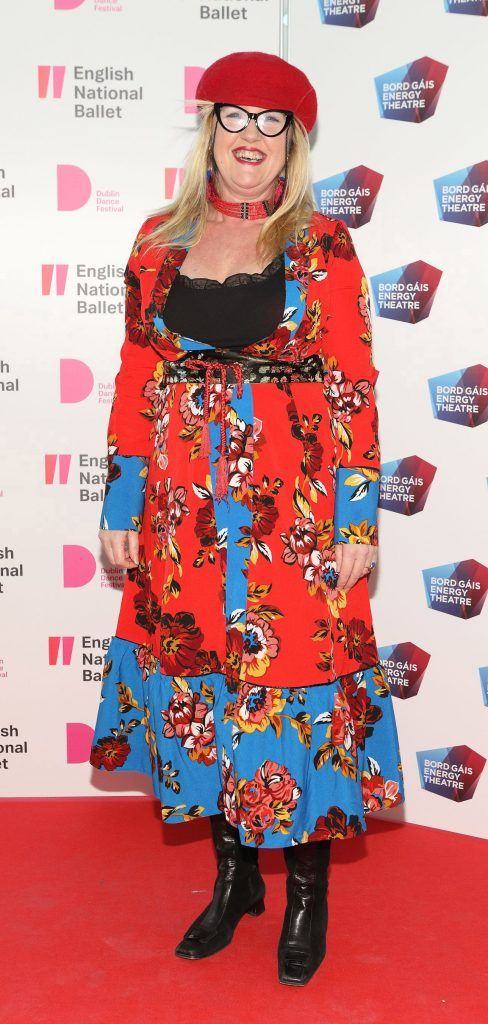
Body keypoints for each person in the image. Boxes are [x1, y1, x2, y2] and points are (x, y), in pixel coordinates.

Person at [89, 50, 405, 986]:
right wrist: (120, 498)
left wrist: (356, 523)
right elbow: (138, 376)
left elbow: (353, 388)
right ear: (210, 128)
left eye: (275, 125)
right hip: (183, 513)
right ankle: (234, 883)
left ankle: (305, 891)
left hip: (292, 519)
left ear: (295, 143)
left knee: (295, 696)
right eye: (238, 118)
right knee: (209, 693)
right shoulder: (156, 242)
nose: (252, 140)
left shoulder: (324, 247)